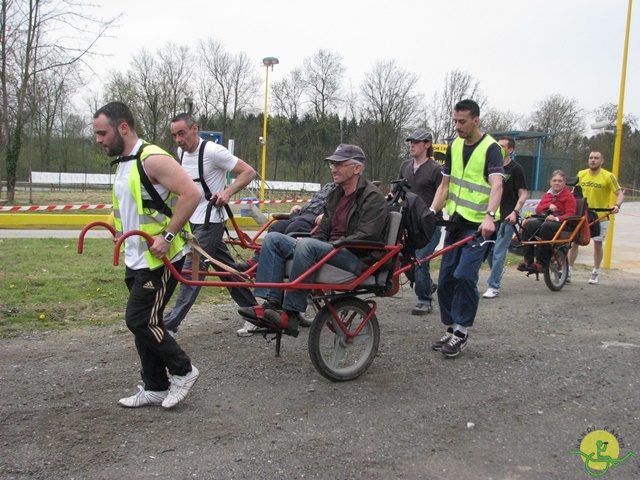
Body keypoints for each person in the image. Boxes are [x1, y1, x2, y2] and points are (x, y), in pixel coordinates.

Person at [92, 102, 200, 409]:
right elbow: (126, 207)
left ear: (122, 128)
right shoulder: (124, 162)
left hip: (161, 258)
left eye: (103, 133)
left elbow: (192, 195)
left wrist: (167, 237)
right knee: (145, 322)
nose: (99, 140)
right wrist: (118, 230)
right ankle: (155, 386)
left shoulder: (152, 158)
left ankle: (184, 370)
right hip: (135, 256)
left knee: (139, 319)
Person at [237, 144, 389, 336]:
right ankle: (271, 304)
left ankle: (291, 314)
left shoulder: (373, 198)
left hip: (355, 257)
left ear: (357, 168)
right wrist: (312, 242)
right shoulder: (336, 195)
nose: (334, 169)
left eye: (340, 164)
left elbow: (368, 235)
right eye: (332, 164)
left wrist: (322, 245)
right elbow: (323, 230)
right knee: (274, 239)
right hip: (331, 250)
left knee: (308, 245)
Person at [162, 113, 258, 336]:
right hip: (191, 223)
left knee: (192, 273)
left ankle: (170, 325)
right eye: (174, 135)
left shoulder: (214, 152)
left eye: (182, 133)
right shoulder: (181, 153)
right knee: (227, 271)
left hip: (210, 222)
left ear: (195, 129)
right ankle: (256, 314)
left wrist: (227, 192)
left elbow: (249, 172)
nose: (178, 139)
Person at [428, 99, 504, 358]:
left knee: (464, 276)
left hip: (480, 226)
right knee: (446, 276)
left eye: (462, 121)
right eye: (455, 121)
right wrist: (431, 211)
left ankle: (461, 331)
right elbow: (445, 185)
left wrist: (490, 217)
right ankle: (451, 327)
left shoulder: (492, 149)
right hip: (456, 221)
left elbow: (496, 186)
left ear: (476, 120)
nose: (457, 126)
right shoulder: (454, 146)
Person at [396, 129, 443, 315]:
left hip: (430, 225)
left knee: (420, 260)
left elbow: (444, 195)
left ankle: (425, 300)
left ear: (427, 145)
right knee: (404, 261)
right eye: (410, 142)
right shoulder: (405, 166)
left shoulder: (436, 170)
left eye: (416, 142)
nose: (412, 145)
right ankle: (428, 286)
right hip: (408, 224)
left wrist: (431, 212)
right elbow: (397, 191)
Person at [568, 151, 624, 284]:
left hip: (600, 216)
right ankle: (568, 271)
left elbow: (620, 193)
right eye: (591, 158)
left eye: (596, 158)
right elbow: (573, 192)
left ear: (602, 161)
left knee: (597, 244)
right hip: (583, 215)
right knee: (575, 242)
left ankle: (595, 272)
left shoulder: (608, 176)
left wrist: (617, 205)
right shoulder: (581, 174)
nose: (593, 160)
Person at [483, 137, 528, 298]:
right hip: (492, 215)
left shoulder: (516, 169)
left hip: (508, 215)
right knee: (488, 250)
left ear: (510, 150)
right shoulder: (491, 168)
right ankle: (498, 270)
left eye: (502, 146)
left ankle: (493, 286)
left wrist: (515, 212)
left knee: (499, 252)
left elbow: (523, 193)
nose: (498, 149)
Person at [518, 170, 576, 272]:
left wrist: (556, 218)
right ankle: (528, 260)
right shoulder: (547, 195)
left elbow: (571, 213)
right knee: (529, 225)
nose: (557, 183)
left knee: (546, 226)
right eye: (554, 181)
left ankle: (541, 262)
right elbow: (538, 209)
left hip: (562, 223)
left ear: (564, 182)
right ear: (550, 182)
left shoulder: (569, 196)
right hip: (545, 220)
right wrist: (548, 206)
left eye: (559, 181)